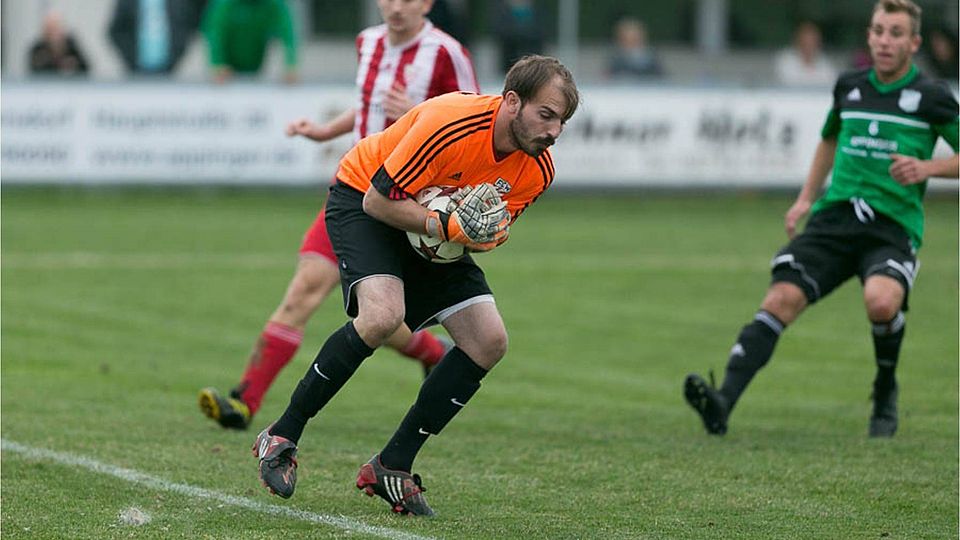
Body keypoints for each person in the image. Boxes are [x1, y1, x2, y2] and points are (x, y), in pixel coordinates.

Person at [250, 55, 579, 516]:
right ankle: (282, 434)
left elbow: (488, 236)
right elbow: (377, 201)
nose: (553, 132)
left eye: (562, 121)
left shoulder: (537, 169)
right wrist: (444, 223)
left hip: (431, 232)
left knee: (489, 340)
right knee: (381, 317)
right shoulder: (452, 124)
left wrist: (480, 233)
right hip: (366, 200)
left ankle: (392, 465)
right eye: (546, 115)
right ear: (511, 102)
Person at [199, 0, 479, 431]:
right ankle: (244, 402)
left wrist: (415, 117)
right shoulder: (367, 42)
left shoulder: (446, 53)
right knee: (304, 291)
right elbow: (367, 106)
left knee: (381, 316)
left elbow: (472, 123)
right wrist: (325, 131)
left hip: (404, 201)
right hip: (352, 192)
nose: (396, 6)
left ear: (427, 3)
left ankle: (433, 353)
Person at [684, 0, 958, 439]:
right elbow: (829, 138)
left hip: (891, 226)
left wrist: (928, 168)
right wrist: (805, 199)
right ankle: (722, 402)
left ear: (914, 42)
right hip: (835, 220)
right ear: (869, 36)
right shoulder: (849, 86)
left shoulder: (931, 96)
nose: (885, 41)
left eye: (896, 33)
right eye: (879, 31)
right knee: (779, 301)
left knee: (882, 302)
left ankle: (885, 389)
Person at [200, 0, 298, 84]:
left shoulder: (273, 4)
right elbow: (215, 32)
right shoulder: (224, 3)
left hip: (255, 66)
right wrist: (217, 63)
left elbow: (288, 32)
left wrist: (291, 64)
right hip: (227, 68)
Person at [107, 0, 206, 75]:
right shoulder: (128, 2)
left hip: (171, 68)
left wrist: (177, 53)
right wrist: (130, 59)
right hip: (136, 69)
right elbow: (116, 31)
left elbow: (187, 26)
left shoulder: (178, 3)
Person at [774, 21, 838, 87]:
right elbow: (786, 86)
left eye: (813, 41)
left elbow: (830, 86)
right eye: (805, 41)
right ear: (798, 41)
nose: (809, 46)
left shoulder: (825, 64)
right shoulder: (785, 61)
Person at [28, 10, 89, 76]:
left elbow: (86, 68)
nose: (54, 34)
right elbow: (33, 71)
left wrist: (74, 66)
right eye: (50, 30)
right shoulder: (38, 50)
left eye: (56, 29)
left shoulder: (72, 47)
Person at [493, 0, 544, 74]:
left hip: (532, 60)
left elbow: (540, 32)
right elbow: (500, 31)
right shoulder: (502, 10)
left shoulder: (537, 11)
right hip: (509, 60)